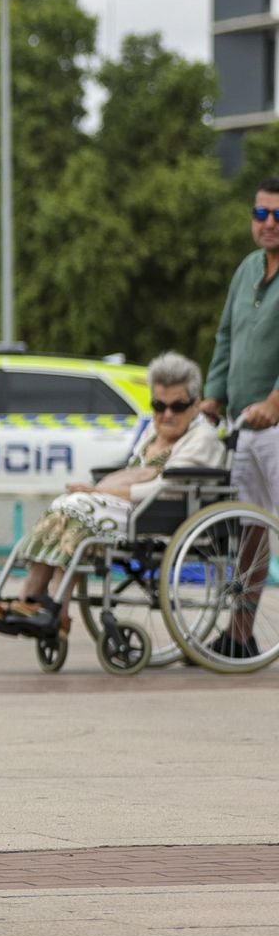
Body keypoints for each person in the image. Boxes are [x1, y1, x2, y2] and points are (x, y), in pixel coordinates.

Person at [0, 353, 225, 637]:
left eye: (177, 406)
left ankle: (46, 603)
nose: (167, 414)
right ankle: (40, 603)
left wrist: (101, 490)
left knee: (79, 507)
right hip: (131, 509)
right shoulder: (153, 435)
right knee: (66, 504)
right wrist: (104, 490)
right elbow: (136, 472)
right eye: (159, 405)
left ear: (195, 404)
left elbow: (163, 489)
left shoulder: (202, 438)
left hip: (159, 515)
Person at [200, 177, 279, 657]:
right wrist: (212, 395)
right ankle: (239, 635)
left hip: (275, 422)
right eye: (261, 214)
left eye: (278, 216)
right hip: (243, 425)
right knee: (250, 529)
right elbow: (226, 337)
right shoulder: (248, 268)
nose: (269, 224)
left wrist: (275, 402)